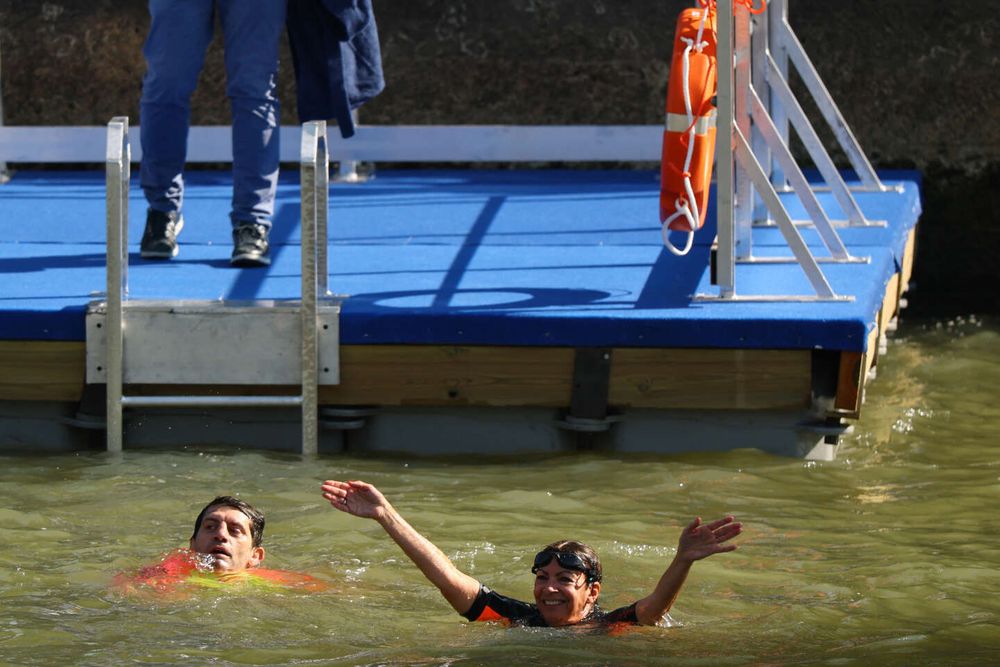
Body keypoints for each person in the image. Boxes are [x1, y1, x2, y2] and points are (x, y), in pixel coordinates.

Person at [320, 480, 742, 628]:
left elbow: (652, 611)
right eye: (543, 578)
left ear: (592, 592)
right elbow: (445, 575)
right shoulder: (514, 618)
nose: (550, 588)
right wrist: (385, 514)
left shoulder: (610, 627)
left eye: (563, 580)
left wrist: (682, 559)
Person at [114, 496, 324, 593]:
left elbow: (343, 593)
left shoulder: (274, 582)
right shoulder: (169, 572)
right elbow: (123, 583)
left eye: (235, 530)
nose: (221, 535)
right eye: (210, 527)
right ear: (192, 545)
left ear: (256, 556)